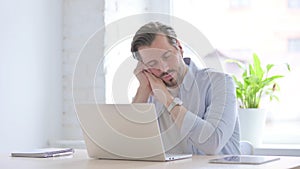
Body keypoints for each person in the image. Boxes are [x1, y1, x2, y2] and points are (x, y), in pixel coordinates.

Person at [131, 22, 240, 155]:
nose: (164, 68)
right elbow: (128, 145)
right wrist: (142, 89)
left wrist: (168, 100)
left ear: (179, 48)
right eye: (153, 63)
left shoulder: (220, 83)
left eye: (167, 56)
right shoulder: (150, 93)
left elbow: (212, 143)